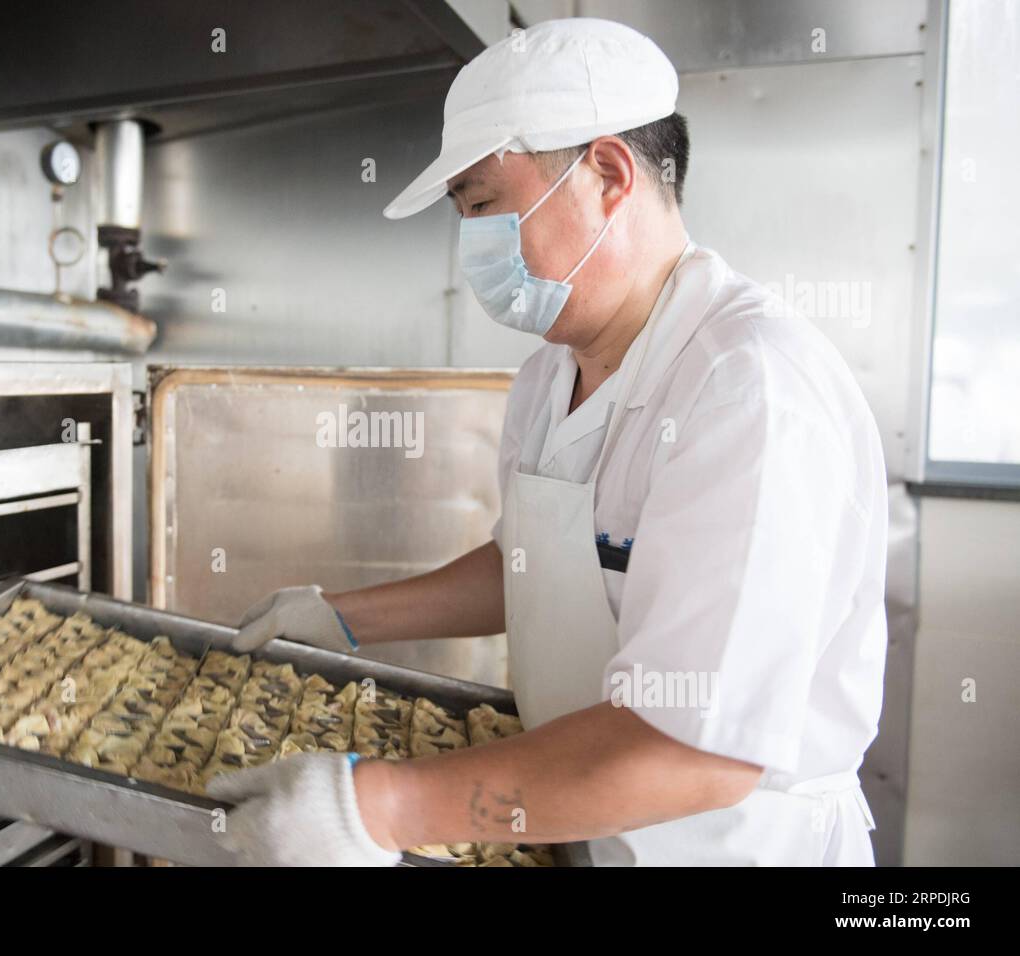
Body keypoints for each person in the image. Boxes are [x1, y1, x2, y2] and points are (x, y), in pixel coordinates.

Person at [206, 17, 887, 867]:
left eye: (486, 205)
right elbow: (538, 566)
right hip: (572, 820)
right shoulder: (547, 377)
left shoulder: (749, 388)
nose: (474, 247)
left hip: (724, 849)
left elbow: (700, 749)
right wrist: (340, 618)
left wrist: (378, 804)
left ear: (607, 173)